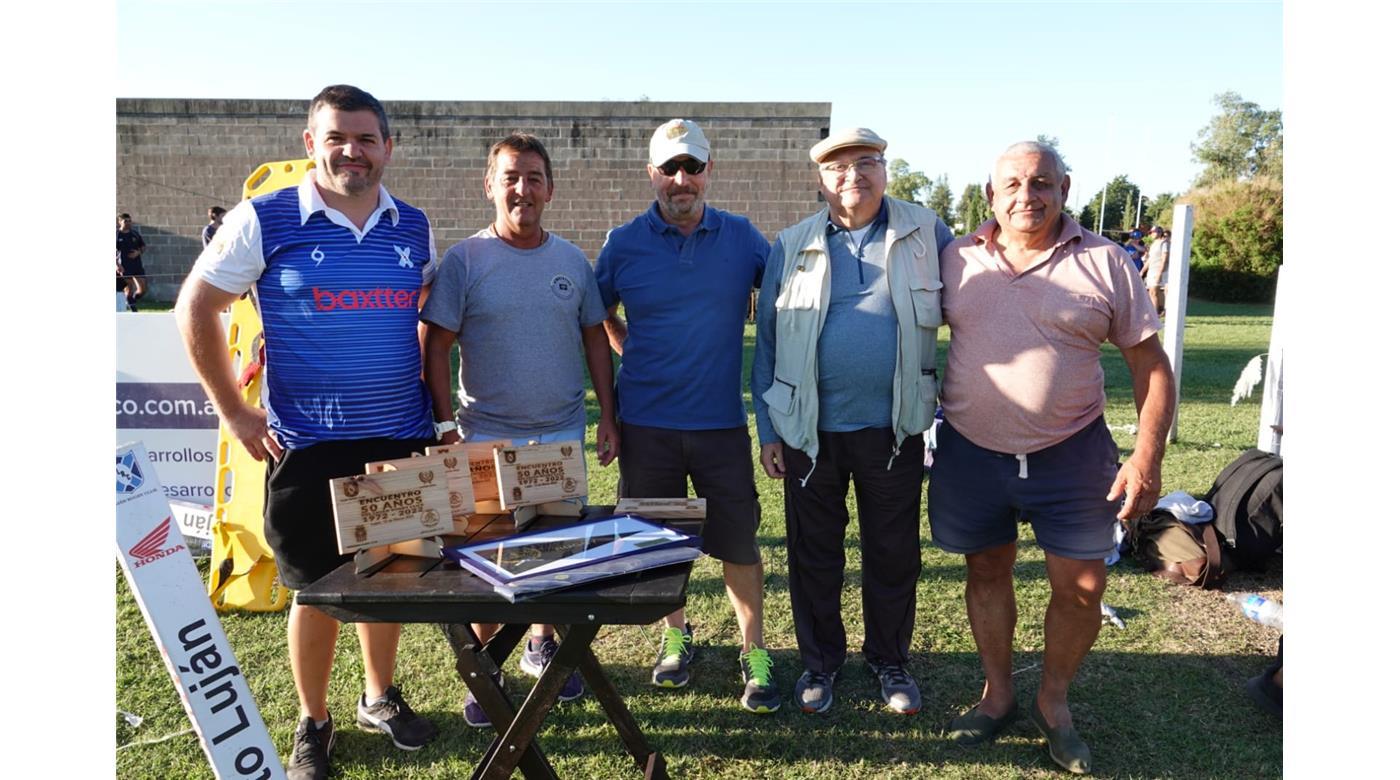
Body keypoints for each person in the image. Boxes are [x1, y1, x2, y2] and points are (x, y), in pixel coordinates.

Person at [175, 84, 440, 780]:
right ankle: (314, 722)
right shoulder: (264, 218)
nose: (351, 151)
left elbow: (420, 321)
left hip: (398, 441)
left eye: (365, 138)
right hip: (311, 447)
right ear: (311, 144)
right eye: (336, 138)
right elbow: (195, 307)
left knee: (390, 580)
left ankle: (378, 697)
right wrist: (233, 409)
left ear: (389, 146)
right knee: (318, 590)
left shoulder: (413, 225)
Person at [932, 140, 1174, 774]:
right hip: (971, 450)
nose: (1026, 196)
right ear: (990, 194)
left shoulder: (1107, 261)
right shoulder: (955, 257)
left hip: (1072, 451)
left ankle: (1053, 702)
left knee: (1084, 588)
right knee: (986, 570)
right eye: (1011, 184)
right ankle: (998, 694)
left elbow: (1151, 366)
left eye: (1041, 183)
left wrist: (1146, 457)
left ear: (1065, 188)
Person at [420, 132, 620, 728]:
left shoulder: (571, 262)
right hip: (487, 433)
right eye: (510, 177)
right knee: (489, 558)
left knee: (555, 552)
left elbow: (594, 338)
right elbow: (436, 346)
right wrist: (444, 422)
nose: (521, 189)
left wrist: (607, 415)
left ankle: (541, 643)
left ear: (550, 189)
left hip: (560, 432)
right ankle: (487, 667)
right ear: (490, 185)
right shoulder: (465, 261)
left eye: (533, 178)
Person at [752, 128, 953, 716]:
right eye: (838, 168)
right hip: (809, 432)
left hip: (895, 428)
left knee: (893, 552)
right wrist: (767, 429)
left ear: (886, 170)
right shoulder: (792, 244)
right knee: (814, 555)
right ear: (821, 180)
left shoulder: (925, 230)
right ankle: (821, 663)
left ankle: (889, 660)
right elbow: (765, 345)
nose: (853, 177)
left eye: (867, 163)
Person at [594, 119, 779, 713]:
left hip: (721, 424)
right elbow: (598, 315)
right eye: (669, 168)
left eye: (692, 167)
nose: (681, 179)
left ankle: (755, 652)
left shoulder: (744, 237)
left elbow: (787, 298)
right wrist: (633, 350)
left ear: (708, 172)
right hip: (647, 425)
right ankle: (677, 635)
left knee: (738, 545)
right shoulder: (623, 243)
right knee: (660, 542)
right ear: (651, 173)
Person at [117, 213, 147, 309]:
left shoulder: (135, 234)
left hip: (137, 265)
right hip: (124, 266)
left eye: (130, 221)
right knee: (129, 287)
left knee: (143, 290)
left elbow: (143, 247)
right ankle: (133, 310)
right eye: (125, 221)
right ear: (120, 222)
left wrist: (138, 252)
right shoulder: (116, 235)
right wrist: (117, 265)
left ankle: (132, 300)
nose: (128, 223)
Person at [1142, 225, 1169, 317]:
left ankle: (1155, 313)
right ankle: (1156, 312)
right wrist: (1142, 271)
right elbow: (1150, 259)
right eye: (1150, 232)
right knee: (1151, 292)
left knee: (1154, 291)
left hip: (1159, 270)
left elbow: (1164, 259)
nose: (1151, 234)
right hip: (1152, 270)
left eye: (1153, 232)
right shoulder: (1153, 244)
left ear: (1159, 232)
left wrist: (1159, 273)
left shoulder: (1164, 243)